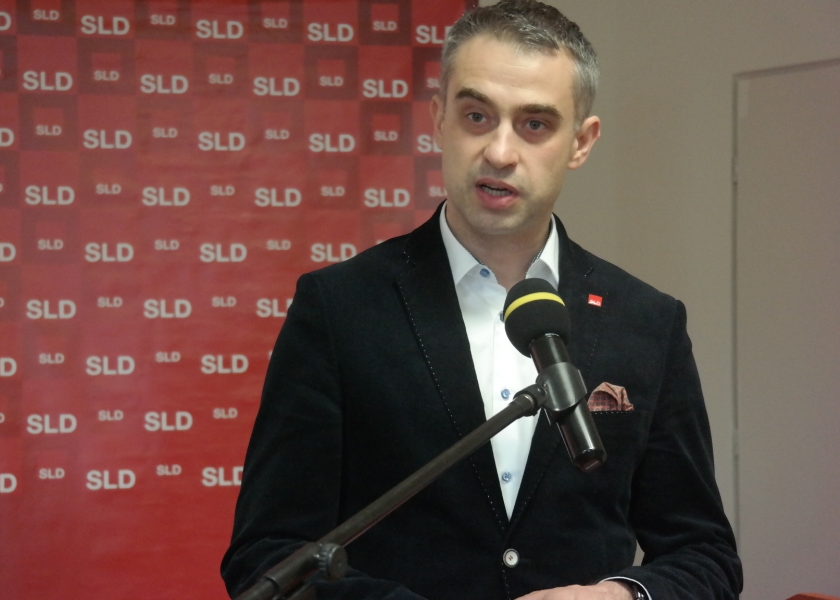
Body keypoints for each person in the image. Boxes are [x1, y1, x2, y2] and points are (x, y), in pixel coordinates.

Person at [221, 2, 742, 599]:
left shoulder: (647, 322)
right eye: (476, 116)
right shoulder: (339, 309)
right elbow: (269, 553)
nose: (499, 152)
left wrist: (620, 596)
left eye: (535, 124)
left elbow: (705, 557)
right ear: (439, 119)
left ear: (581, 142)